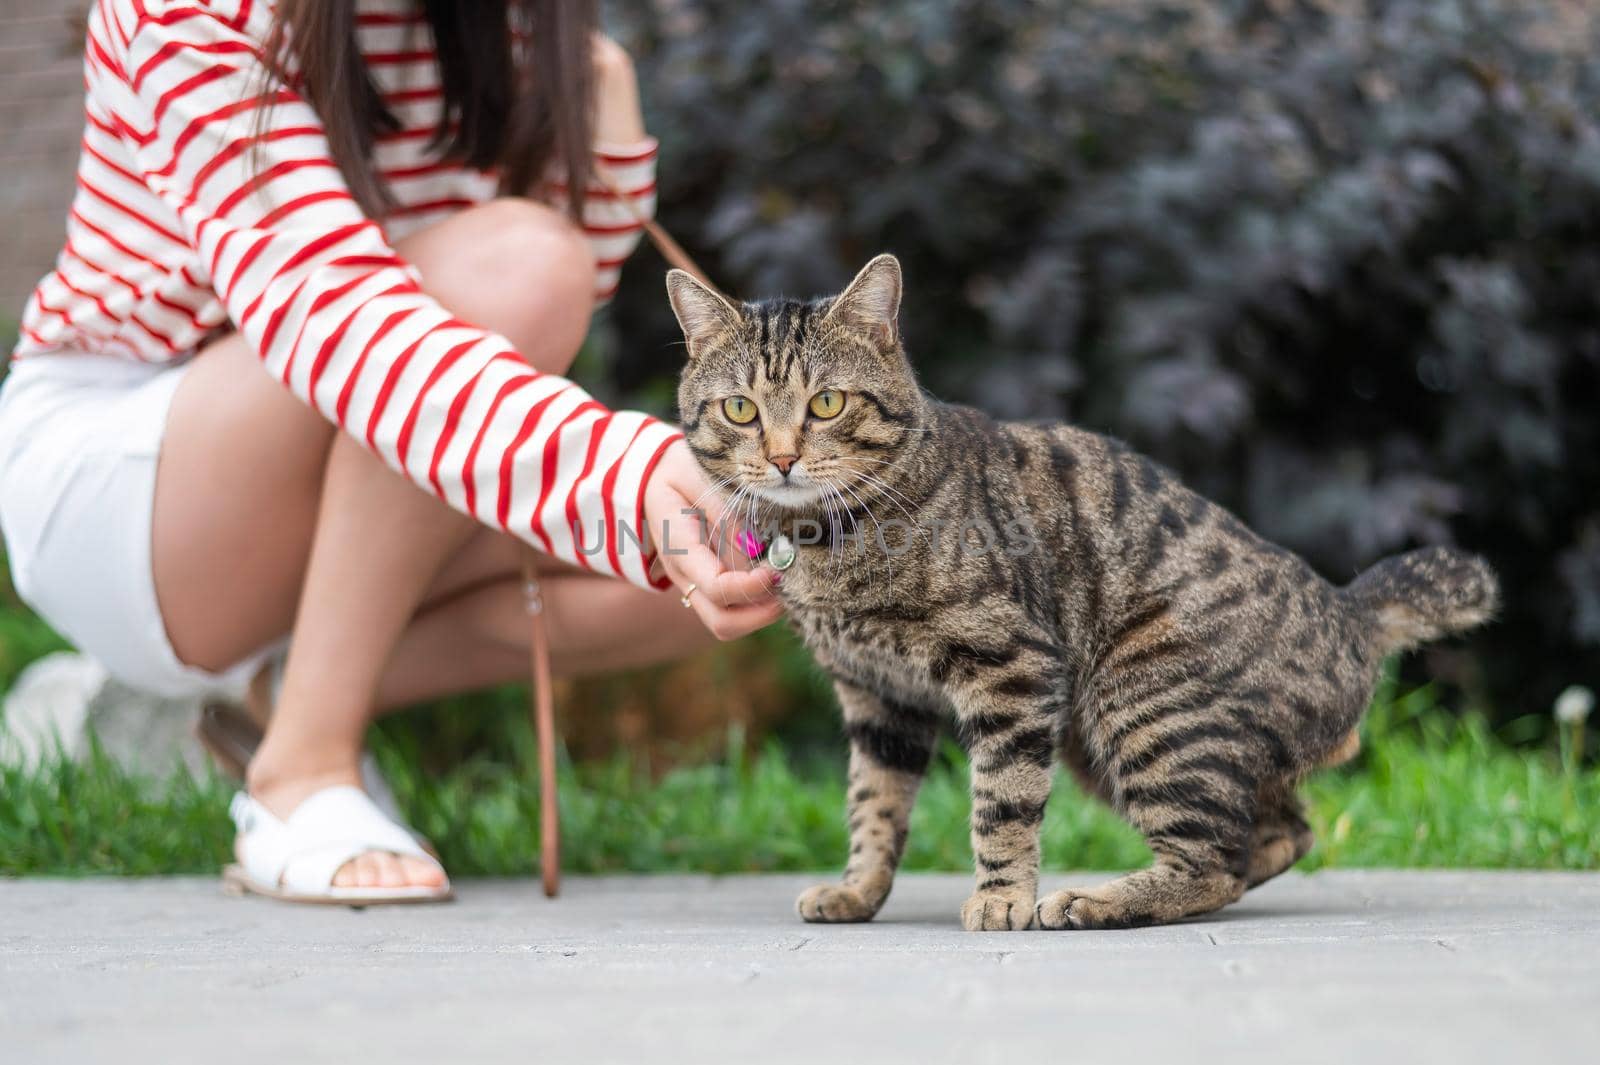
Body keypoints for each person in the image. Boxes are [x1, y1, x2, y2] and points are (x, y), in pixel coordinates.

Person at [0, 0, 782, 904]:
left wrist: (601, 123)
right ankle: (300, 768)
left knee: (739, 556)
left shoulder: (491, 21)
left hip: (344, 437)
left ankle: (292, 690)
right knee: (520, 273)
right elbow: (342, 319)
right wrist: (627, 471)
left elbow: (559, 301)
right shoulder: (192, 12)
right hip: (133, 480)